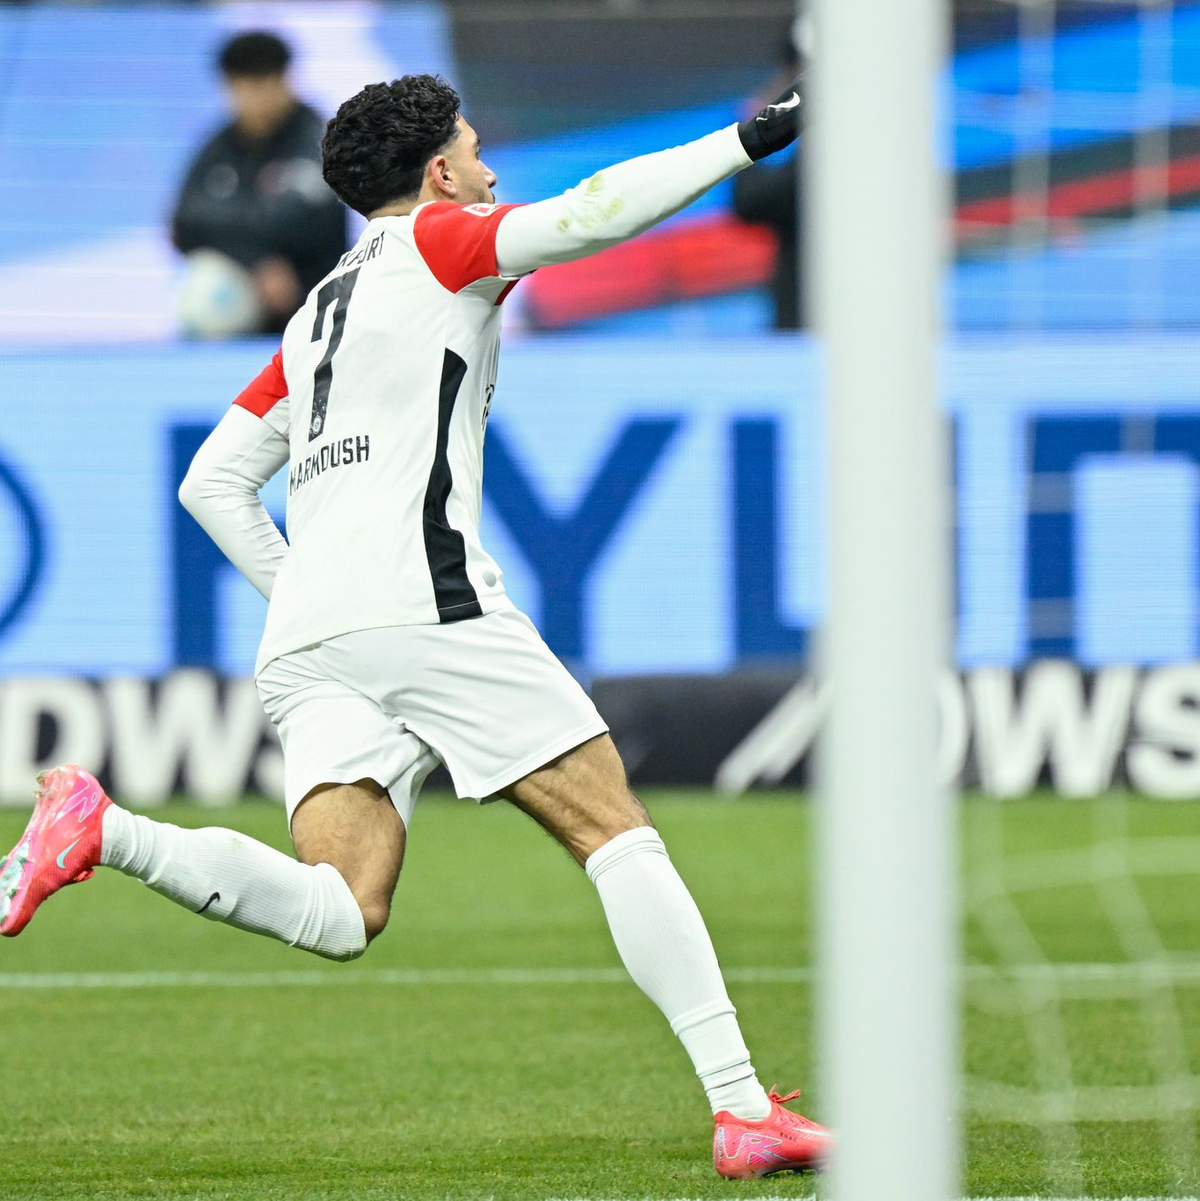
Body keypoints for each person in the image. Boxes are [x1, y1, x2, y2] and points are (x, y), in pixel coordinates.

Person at [0, 74, 828, 1181]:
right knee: (613, 828)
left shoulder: (315, 310)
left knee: (342, 910)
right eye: (476, 151)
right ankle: (740, 1108)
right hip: (424, 601)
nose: (487, 168)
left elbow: (212, 481)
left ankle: (108, 832)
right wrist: (746, 139)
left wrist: (313, 589)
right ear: (437, 172)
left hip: (306, 636)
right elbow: (595, 212)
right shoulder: (443, 243)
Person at [172, 31, 346, 335]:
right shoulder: (219, 146)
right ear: (228, 86)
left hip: (314, 294)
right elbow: (183, 223)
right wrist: (257, 261)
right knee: (201, 292)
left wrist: (233, 228)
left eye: (268, 83)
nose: (260, 97)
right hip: (247, 286)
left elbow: (305, 221)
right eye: (248, 86)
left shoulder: (316, 138)